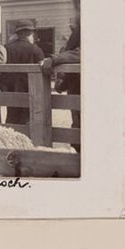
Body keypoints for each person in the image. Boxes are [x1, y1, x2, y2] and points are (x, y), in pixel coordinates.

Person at [42, 18, 80, 152]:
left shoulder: (67, 49)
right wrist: (62, 84)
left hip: (81, 88)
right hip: (75, 87)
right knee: (77, 120)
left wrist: (55, 59)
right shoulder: (67, 47)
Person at [1, 20, 44, 127]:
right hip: (29, 90)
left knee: (11, 117)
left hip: (10, 90)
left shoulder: (6, 48)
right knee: (28, 119)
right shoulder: (35, 49)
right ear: (27, 33)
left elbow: (0, 71)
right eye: (32, 33)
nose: (33, 36)